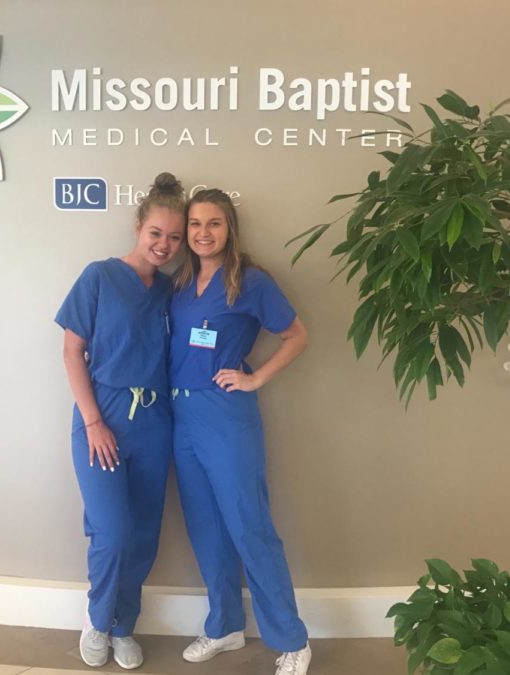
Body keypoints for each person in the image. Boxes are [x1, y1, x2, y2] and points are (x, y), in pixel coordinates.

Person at [169, 188, 312, 675]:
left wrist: (254, 377)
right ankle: (225, 625)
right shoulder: (181, 283)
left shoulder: (249, 282)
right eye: (195, 224)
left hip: (226, 416)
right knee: (206, 529)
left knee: (250, 527)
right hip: (181, 417)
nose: (203, 233)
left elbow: (297, 336)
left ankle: (292, 639)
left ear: (230, 228)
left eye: (213, 223)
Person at [55, 173, 186, 670]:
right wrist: (93, 422)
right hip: (101, 418)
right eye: (156, 233)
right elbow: (71, 352)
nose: (165, 245)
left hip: (154, 423)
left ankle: (124, 624)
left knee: (144, 534)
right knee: (110, 531)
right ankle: (97, 617)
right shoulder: (99, 276)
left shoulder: (170, 290)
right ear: (138, 225)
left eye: (174, 238)